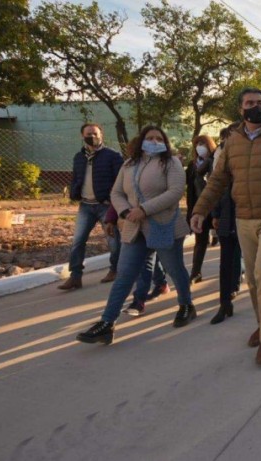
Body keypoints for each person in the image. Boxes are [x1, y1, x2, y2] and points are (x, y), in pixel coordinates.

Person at [190, 87, 261, 366]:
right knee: (253, 279)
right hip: (243, 218)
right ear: (241, 109)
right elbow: (217, 180)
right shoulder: (232, 142)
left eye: (260, 102)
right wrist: (200, 210)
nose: (256, 106)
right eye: (250, 103)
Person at [76, 125, 196, 345]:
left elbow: (175, 192)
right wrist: (124, 211)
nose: (154, 141)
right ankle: (107, 323)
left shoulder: (171, 163)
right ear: (141, 140)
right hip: (134, 227)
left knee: (174, 268)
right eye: (149, 137)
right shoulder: (129, 164)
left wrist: (144, 209)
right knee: (124, 275)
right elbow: (116, 192)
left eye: (158, 138)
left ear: (165, 142)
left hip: (163, 225)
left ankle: (186, 305)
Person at [58, 122, 124, 290]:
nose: (92, 137)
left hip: (106, 206)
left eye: (95, 133)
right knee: (77, 242)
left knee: (114, 241)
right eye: (88, 134)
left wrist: (114, 203)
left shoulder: (113, 156)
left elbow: (120, 181)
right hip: (86, 206)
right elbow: (76, 177)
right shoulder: (79, 157)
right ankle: (75, 277)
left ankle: (115, 270)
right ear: (82, 136)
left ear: (101, 135)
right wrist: (74, 192)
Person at [210, 123, 243, 324]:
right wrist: (215, 213)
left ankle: (236, 285)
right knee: (225, 261)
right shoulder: (221, 157)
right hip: (225, 214)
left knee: (253, 263)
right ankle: (224, 304)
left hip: (248, 215)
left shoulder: (251, 154)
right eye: (227, 136)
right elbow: (215, 186)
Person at [186, 135, 216, 284]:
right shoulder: (193, 165)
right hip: (199, 209)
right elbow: (190, 189)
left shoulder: (216, 161)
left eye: (203, 143)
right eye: (197, 143)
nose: (199, 146)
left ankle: (235, 272)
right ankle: (195, 272)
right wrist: (191, 212)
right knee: (200, 241)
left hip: (216, 208)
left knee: (228, 241)